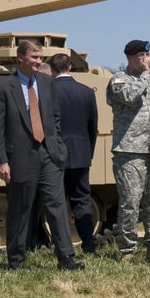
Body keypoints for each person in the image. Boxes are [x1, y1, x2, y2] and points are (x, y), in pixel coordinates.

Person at [0, 40, 82, 272]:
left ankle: (66, 258)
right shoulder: (2, 88)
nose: (39, 62)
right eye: (34, 58)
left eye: (41, 58)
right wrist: (2, 161)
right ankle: (17, 262)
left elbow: (55, 116)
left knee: (57, 206)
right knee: (20, 210)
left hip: (49, 153)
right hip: (20, 157)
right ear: (20, 58)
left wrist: (57, 145)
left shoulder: (46, 82)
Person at [107, 39, 150, 264]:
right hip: (129, 150)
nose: (147, 58)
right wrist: (145, 75)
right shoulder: (119, 79)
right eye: (141, 55)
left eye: (148, 53)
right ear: (130, 58)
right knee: (130, 201)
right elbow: (127, 97)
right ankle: (127, 250)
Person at [49, 53, 99, 253]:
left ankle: (62, 246)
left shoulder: (48, 91)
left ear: (51, 70)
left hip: (54, 154)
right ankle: (88, 242)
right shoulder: (87, 92)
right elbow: (92, 126)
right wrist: (89, 152)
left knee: (57, 201)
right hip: (80, 153)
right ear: (70, 67)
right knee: (81, 200)